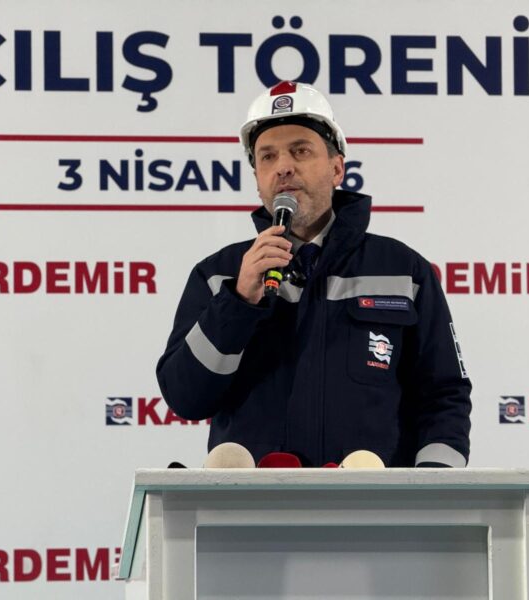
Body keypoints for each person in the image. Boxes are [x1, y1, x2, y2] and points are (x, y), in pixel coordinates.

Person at [156, 81, 471, 468]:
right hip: (252, 503)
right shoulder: (218, 276)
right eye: (267, 157)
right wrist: (238, 302)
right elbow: (186, 398)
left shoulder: (404, 270)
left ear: (337, 168)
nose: (283, 167)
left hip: (374, 502)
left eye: (300, 150)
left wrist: (432, 486)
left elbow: (444, 396)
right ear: (257, 179)